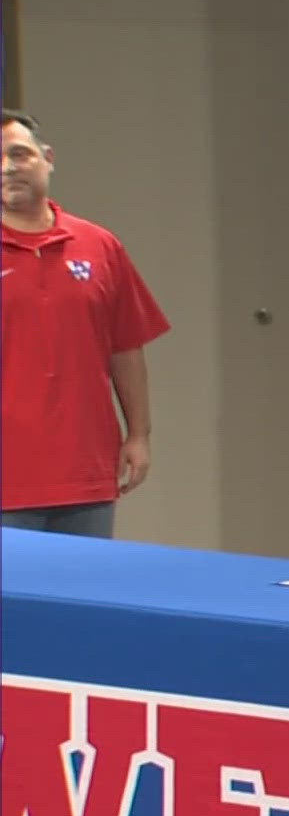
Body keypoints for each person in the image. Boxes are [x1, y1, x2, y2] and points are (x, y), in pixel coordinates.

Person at [1, 109, 171, 538]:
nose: (7, 168)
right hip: (7, 475)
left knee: (83, 597)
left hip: (85, 472)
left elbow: (126, 347)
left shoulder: (99, 246)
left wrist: (139, 434)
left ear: (48, 157)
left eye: (18, 154)